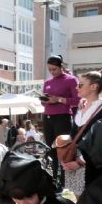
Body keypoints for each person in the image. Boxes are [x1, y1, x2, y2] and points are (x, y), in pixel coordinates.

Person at [60, 69, 102, 197]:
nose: (76, 87)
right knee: (79, 203)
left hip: (92, 167)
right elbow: (74, 137)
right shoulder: (80, 108)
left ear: (94, 87)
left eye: (80, 85)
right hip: (74, 165)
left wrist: (80, 162)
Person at [42, 55, 79, 187]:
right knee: (50, 149)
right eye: (50, 69)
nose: (52, 72)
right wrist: (44, 101)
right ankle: (53, 179)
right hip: (47, 117)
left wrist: (58, 99)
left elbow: (77, 100)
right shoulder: (47, 82)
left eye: (55, 69)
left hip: (62, 117)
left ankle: (65, 180)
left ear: (61, 66)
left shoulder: (71, 80)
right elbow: (44, 102)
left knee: (63, 150)